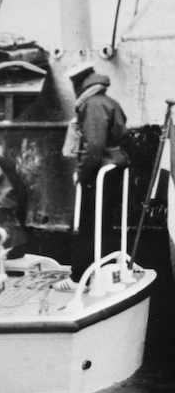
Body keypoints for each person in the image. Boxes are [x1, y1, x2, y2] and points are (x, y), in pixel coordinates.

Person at [55, 62, 129, 291]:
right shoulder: (108, 101)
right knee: (102, 221)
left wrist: (81, 173)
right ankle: (102, 269)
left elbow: (94, 146)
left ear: (79, 83)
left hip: (100, 169)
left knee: (88, 223)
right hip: (113, 165)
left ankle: (80, 278)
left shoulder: (92, 104)